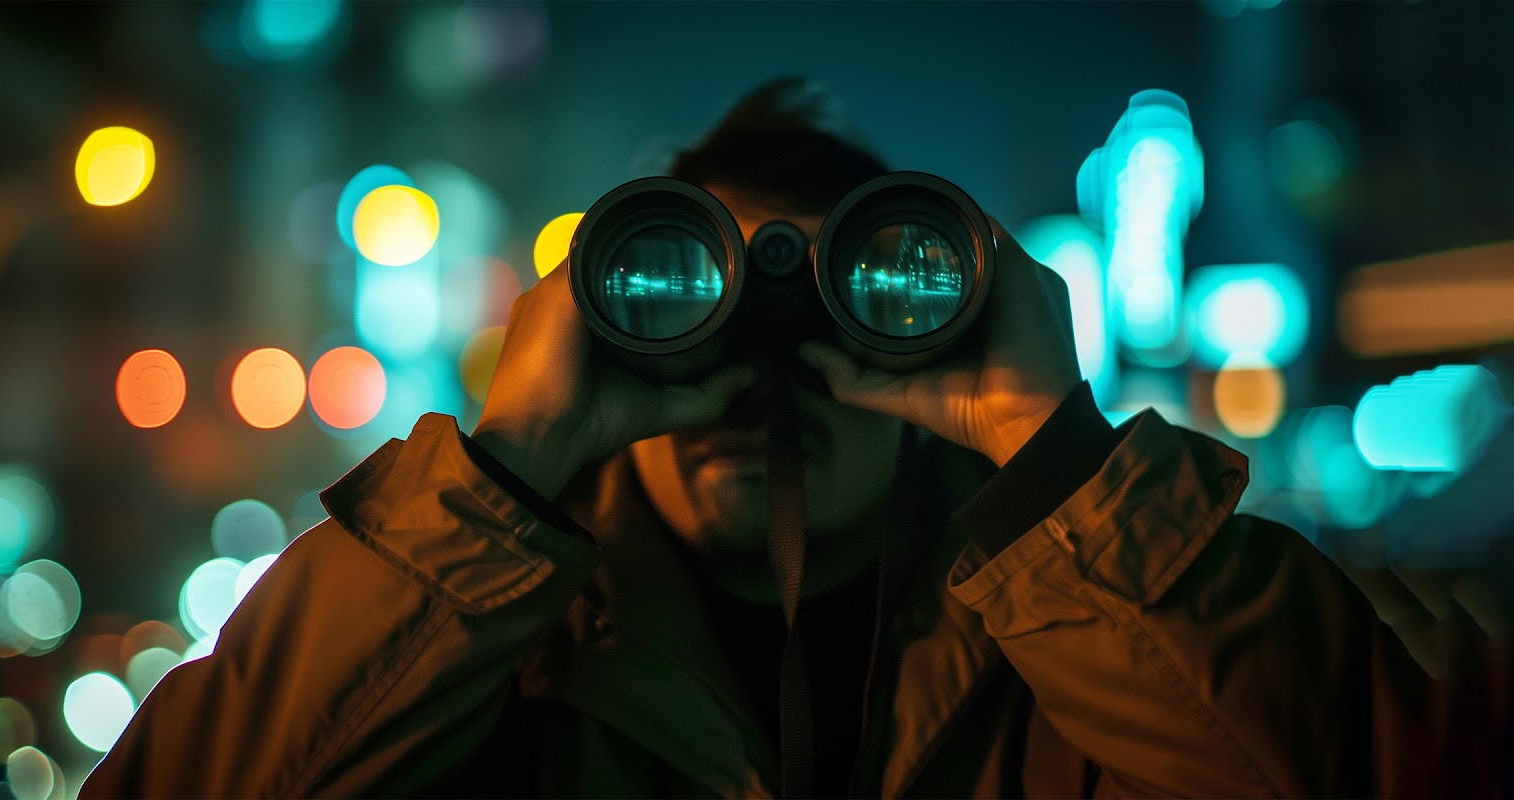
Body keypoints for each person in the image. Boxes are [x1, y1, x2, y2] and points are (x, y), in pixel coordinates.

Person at [83, 78, 1506, 798]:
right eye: (684, 306)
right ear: (587, 324)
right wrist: (509, 456)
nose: (766, 382)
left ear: (949, 322)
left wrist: (1053, 454)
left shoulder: (1076, 670)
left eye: (846, 308)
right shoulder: (495, 678)